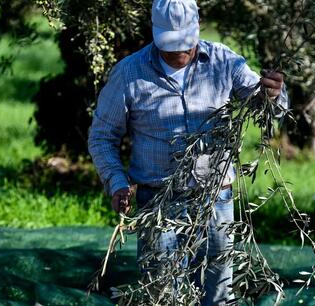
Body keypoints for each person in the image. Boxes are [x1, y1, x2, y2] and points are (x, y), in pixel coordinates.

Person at [88, 0, 288, 304]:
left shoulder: (224, 63)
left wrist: (273, 95)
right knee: (163, 292)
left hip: (215, 199)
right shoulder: (130, 74)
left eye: (185, 44)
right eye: (171, 45)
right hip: (159, 201)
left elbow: (268, 109)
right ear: (155, 34)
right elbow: (102, 136)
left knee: (218, 290)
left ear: (197, 29)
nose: (179, 53)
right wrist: (116, 181)